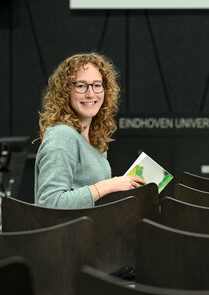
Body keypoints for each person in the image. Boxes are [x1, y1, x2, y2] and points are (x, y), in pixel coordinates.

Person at [34, 52, 145, 209]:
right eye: (81, 86)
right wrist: (108, 186)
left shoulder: (94, 140)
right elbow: (50, 202)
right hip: (70, 233)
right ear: (65, 91)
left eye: (97, 85)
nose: (90, 94)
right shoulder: (61, 135)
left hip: (94, 230)